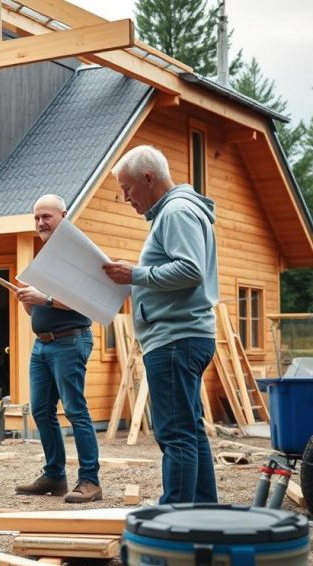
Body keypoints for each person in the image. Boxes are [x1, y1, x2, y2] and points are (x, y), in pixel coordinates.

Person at [102, 145, 218, 505]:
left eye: (127, 188)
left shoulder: (177, 212)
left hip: (175, 338)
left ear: (149, 178)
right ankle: (203, 511)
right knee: (190, 430)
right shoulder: (175, 211)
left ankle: (175, 518)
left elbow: (190, 270)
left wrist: (135, 274)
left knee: (175, 433)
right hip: (184, 335)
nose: (125, 198)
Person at [13, 194, 102, 503]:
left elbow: (85, 300)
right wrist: (29, 301)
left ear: (63, 216)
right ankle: (55, 475)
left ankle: (90, 481)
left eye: (46, 216)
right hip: (43, 345)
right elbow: (40, 308)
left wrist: (45, 299)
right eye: (36, 217)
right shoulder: (46, 256)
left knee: (76, 410)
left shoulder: (76, 253)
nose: (40, 223)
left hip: (70, 340)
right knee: (40, 410)